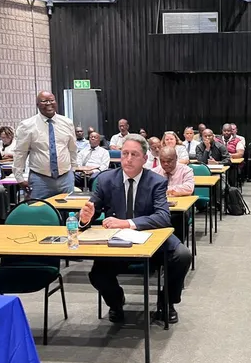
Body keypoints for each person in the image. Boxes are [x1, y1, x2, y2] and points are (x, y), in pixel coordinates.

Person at [79, 134, 192, 324]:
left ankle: (166, 302)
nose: (128, 159)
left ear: (145, 158)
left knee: (182, 255)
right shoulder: (106, 180)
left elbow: (163, 217)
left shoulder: (156, 181)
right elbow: (90, 212)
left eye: (134, 154)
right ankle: (116, 302)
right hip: (115, 241)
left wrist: (126, 223)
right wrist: (84, 219)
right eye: (125, 153)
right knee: (97, 274)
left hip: (151, 237)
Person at [14, 91, 77, 200]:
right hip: (40, 179)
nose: (49, 104)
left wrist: (74, 169)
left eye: (51, 100)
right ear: (37, 104)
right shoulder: (27, 125)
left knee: (68, 209)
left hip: (66, 177)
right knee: (38, 209)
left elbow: (72, 149)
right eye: (44, 101)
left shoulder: (67, 123)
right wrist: (19, 177)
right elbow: (20, 152)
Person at [153, 146, 195, 242]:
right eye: (162, 161)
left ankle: (177, 245)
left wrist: (166, 189)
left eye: (169, 161)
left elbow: (189, 188)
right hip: (160, 207)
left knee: (177, 217)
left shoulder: (186, 170)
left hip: (180, 210)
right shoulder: (154, 172)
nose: (166, 164)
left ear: (176, 158)